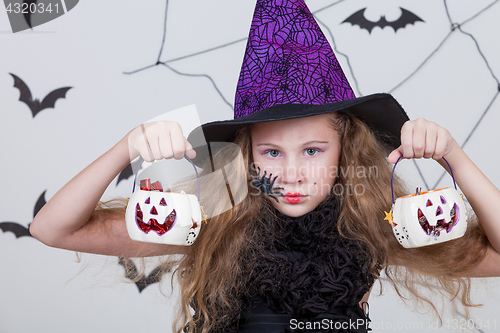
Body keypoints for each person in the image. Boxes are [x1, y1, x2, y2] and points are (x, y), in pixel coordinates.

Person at [30, 0, 500, 332]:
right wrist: (127, 145)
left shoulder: (373, 223)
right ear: (246, 153)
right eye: (272, 152)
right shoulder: (213, 217)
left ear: (345, 151)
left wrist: (453, 156)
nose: (292, 173)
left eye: (313, 151)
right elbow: (53, 229)